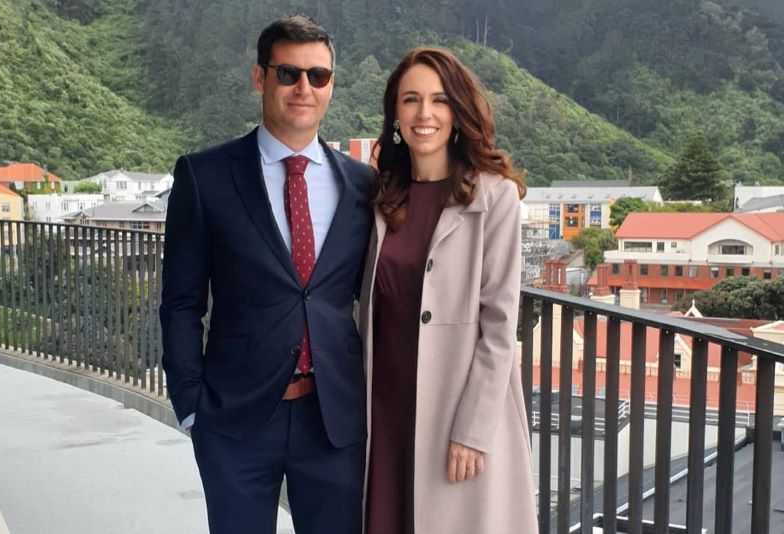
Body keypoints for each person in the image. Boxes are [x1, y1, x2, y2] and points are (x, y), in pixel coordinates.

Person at [160, 15, 373, 534]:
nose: (304, 88)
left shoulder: (363, 186)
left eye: (318, 76)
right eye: (288, 73)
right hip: (234, 423)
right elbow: (181, 302)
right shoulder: (204, 175)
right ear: (260, 77)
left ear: (331, 84)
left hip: (333, 421)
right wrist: (191, 405)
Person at [358, 47, 538, 534]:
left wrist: (473, 430)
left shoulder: (494, 196)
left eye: (439, 100)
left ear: (458, 112)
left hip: (455, 408)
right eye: (411, 99)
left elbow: (500, 326)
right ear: (395, 115)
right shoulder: (381, 196)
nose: (425, 113)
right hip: (384, 408)